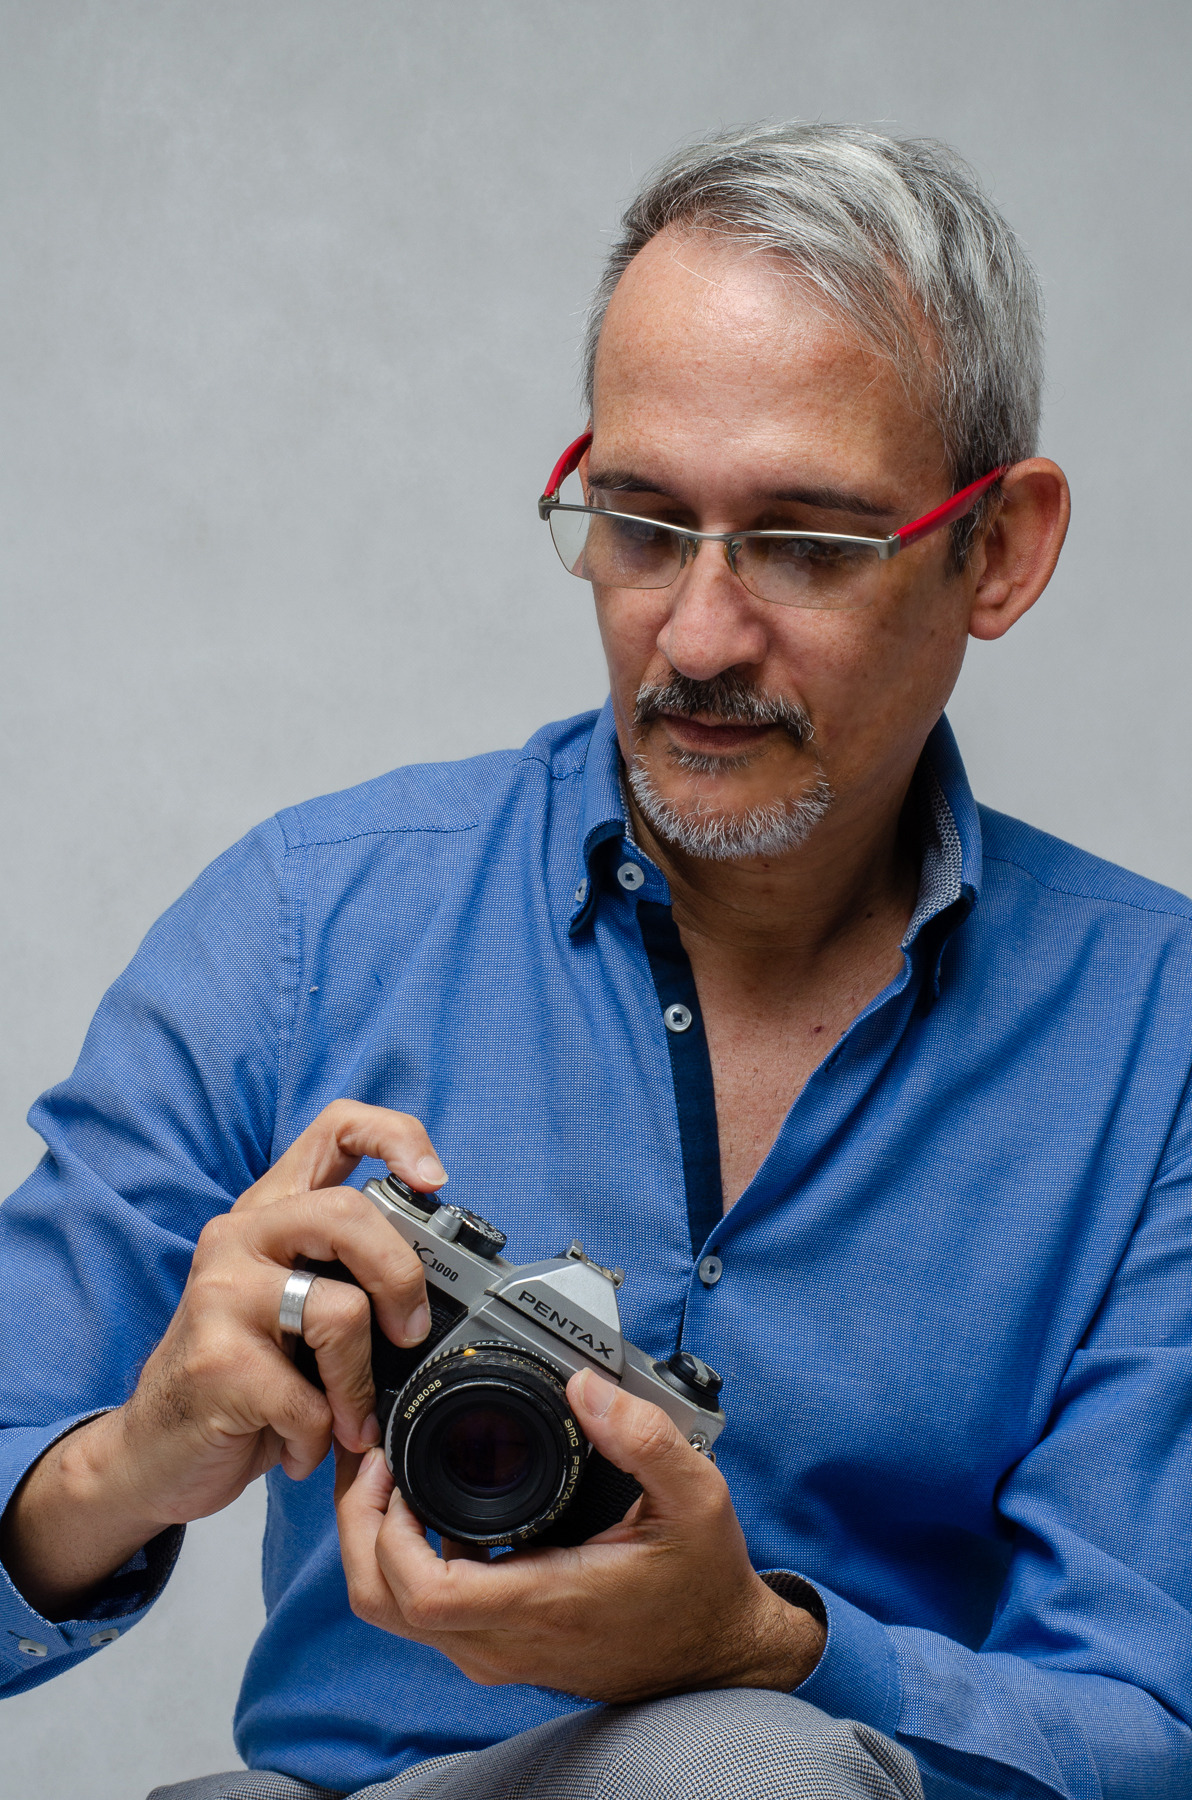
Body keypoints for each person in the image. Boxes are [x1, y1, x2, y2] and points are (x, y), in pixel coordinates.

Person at [1, 120, 1189, 1800]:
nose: (694, 637)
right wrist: (133, 1457)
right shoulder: (309, 923)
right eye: (639, 521)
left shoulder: (1158, 1045)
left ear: (997, 548)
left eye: (806, 542)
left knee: (739, 1768)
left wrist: (762, 1648)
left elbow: (1148, 1725)